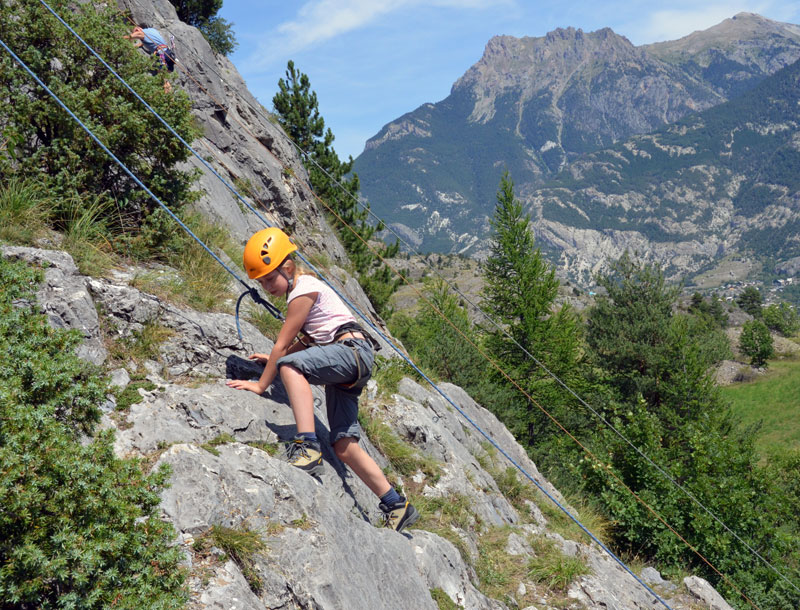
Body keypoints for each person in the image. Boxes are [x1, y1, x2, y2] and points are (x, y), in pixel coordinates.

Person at [226, 227, 419, 533]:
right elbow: (309, 342)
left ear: (287, 268)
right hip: (354, 358)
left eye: (268, 278)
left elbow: (284, 345)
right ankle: (395, 503)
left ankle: (307, 446)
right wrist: (273, 359)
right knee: (343, 445)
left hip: (350, 351)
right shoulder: (304, 289)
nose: (265, 287)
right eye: (260, 282)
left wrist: (262, 383)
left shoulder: (302, 290)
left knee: (290, 367)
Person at [124, 25, 175, 92]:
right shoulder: (152, 30)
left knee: (163, 78)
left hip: (161, 54)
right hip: (169, 54)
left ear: (138, 29)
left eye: (135, 31)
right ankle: (170, 97)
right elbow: (152, 41)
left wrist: (118, 38)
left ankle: (167, 98)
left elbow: (130, 37)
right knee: (165, 77)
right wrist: (140, 45)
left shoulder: (141, 33)